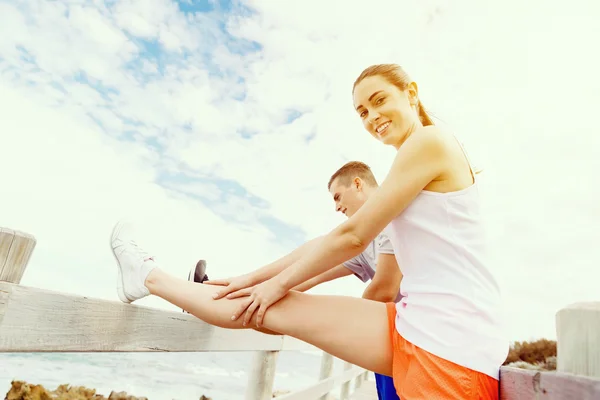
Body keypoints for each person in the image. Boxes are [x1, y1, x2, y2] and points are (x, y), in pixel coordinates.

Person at [110, 63, 508, 399]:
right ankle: (145, 275)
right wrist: (255, 278)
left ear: (412, 93)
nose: (372, 118)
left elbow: (352, 236)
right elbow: (324, 246)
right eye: (362, 113)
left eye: (379, 101)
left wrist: (275, 285)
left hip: (453, 345)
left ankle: (147, 275)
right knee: (262, 305)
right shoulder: (411, 160)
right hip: (420, 324)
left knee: (264, 304)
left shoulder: (429, 141)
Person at [189, 161, 403, 400]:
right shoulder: (365, 244)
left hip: (413, 338)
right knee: (274, 308)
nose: (336, 207)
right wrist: (252, 287)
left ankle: (207, 300)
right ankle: (207, 297)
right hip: (392, 340)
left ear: (357, 184)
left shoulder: (393, 216)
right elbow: (306, 272)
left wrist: (340, 328)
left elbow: (384, 290)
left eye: (338, 197)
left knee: (293, 315)